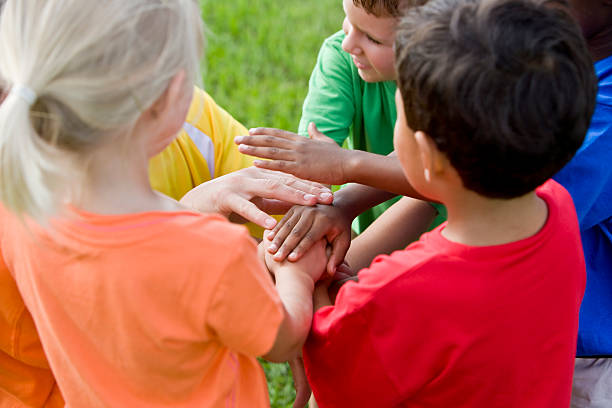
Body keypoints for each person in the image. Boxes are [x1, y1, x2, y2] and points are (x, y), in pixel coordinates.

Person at [0, 1, 328, 407]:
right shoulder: (213, 254)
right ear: (170, 96)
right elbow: (283, 338)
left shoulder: (18, 221)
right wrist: (293, 272)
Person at [284, 0, 595, 405]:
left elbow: (336, 377)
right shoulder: (559, 210)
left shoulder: (401, 289)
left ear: (426, 154)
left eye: (400, 114)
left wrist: (298, 277)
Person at [240, 0, 442, 238]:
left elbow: (436, 176)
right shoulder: (341, 57)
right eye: (349, 20)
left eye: (373, 39)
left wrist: (344, 165)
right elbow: (312, 168)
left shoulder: (455, 80)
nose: (348, 44)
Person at [552, 1, 612, 406]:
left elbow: (513, 195)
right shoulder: (552, 62)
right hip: (563, 341)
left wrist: (357, 168)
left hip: (598, 354)